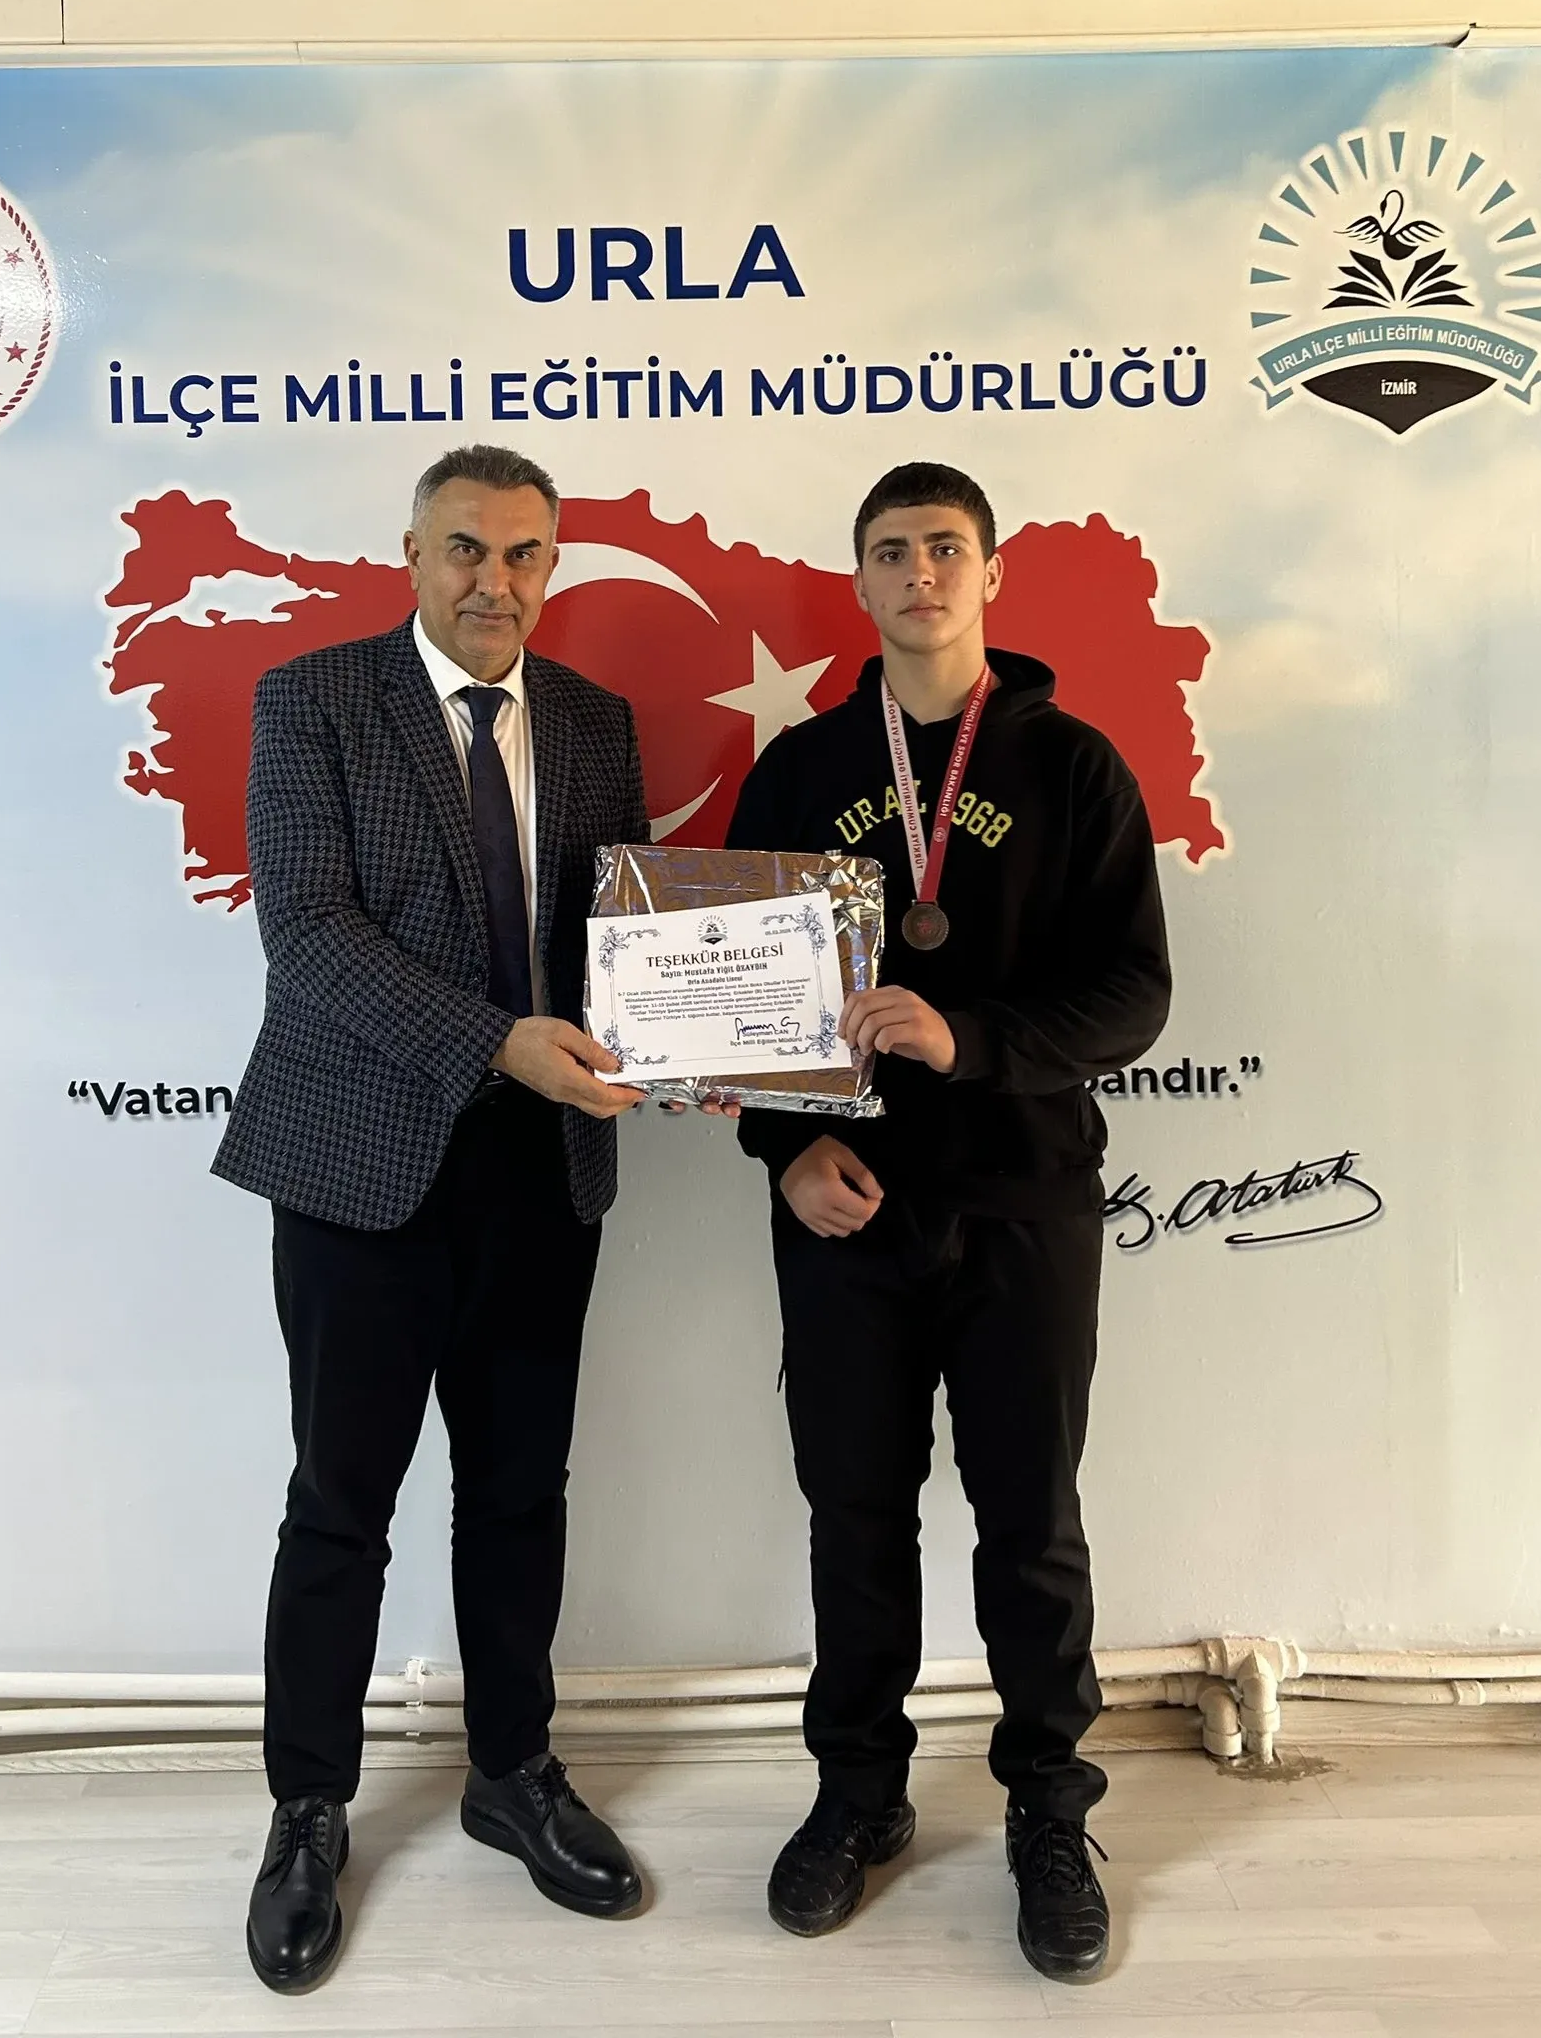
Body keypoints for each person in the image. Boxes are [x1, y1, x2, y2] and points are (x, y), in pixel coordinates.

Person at [723, 461, 1170, 1983]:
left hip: (1025, 1202)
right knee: (855, 1514)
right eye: (891, 551)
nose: (919, 573)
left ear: (991, 576)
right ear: (858, 581)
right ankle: (860, 1794)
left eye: (945, 548)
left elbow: (1134, 995)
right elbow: (739, 999)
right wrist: (784, 1147)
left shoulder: (1075, 766)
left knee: (1029, 1522)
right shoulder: (799, 769)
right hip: (846, 1214)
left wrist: (967, 1040)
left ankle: (1049, 1805)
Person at [214, 445, 651, 1995]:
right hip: (357, 1171)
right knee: (341, 1501)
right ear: (410, 554)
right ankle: (308, 1809)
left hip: (543, 1176)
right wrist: (497, 1043)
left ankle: (511, 1772)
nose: (495, 581)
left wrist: (696, 1037)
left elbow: (619, 933)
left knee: (520, 1494)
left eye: (525, 555)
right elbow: (308, 934)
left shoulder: (594, 721)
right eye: (466, 548)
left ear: (553, 566)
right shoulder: (313, 701)